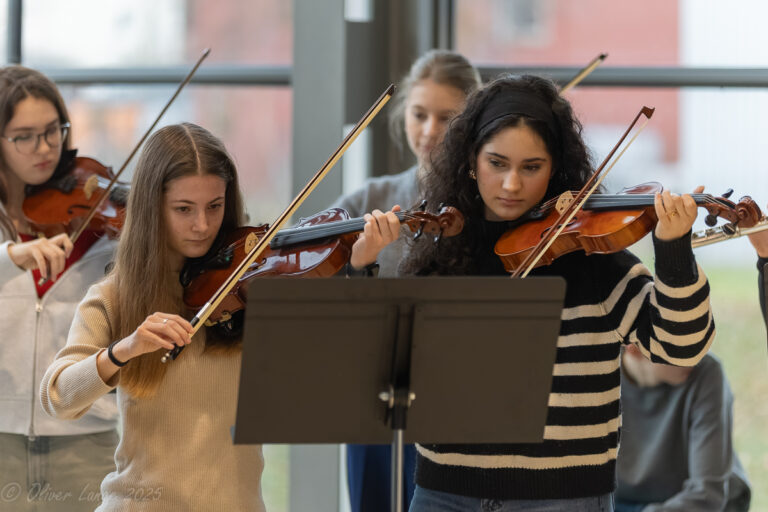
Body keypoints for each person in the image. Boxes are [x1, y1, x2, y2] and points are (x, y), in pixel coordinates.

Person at [352, 74, 716, 511]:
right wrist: (362, 266)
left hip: (562, 499)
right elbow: (376, 366)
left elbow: (682, 345)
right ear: (471, 160)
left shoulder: (593, 258)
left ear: (556, 167)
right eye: (497, 163)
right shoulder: (440, 254)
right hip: (444, 495)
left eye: (531, 167)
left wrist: (673, 250)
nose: (511, 185)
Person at [39, 122, 398, 511]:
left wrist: (360, 266)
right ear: (150, 207)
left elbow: (341, 365)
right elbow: (57, 397)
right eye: (183, 209)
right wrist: (123, 350)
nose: (203, 226)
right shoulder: (114, 296)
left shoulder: (252, 286)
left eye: (215, 206)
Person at [332, 49, 481, 512]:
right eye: (420, 115)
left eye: (446, 117)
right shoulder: (370, 198)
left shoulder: (488, 207)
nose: (430, 131)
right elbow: (328, 308)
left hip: (458, 399)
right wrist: (361, 265)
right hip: (374, 400)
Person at [0, 65, 118, 511]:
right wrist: (12, 256)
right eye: (24, 136)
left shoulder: (100, 223)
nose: (45, 148)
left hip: (85, 438)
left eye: (53, 130)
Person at [615, 344, 751, 512]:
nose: (697, 354)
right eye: (678, 344)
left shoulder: (706, 373)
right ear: (634, 348)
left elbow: (707, 495)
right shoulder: (594, 377)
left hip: (700, 504)